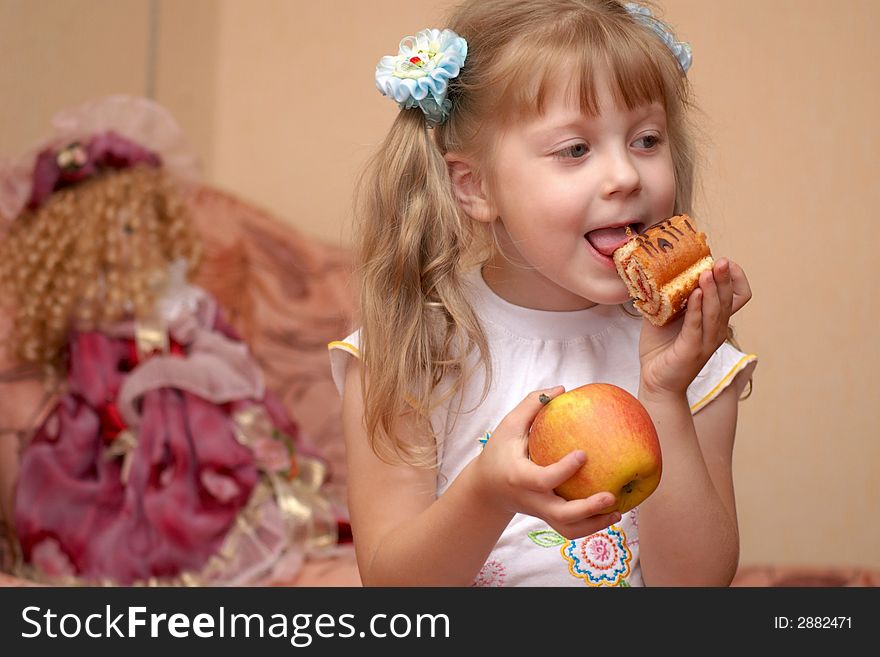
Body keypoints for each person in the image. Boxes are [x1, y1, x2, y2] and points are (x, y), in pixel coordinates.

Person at [329, 0, 757, 586]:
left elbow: (695, 587)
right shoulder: (411, 353)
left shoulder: (691, 353)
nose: (627, 176)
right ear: (475, 187)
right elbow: (394, 589)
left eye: (646, 139)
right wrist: (484, 493)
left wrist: (663, 393)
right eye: (575, 149)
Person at [0, 96, 329, 585]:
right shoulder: (95, 319)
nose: (141, 240)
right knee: (122, 512)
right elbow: (95, 388)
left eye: (149, 224)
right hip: (125, 436)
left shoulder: (180, 298)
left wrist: (207, 369)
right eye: (124, 230)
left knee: (231, 475)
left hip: (200, 425)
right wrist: (128, 411)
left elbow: (224, 348)